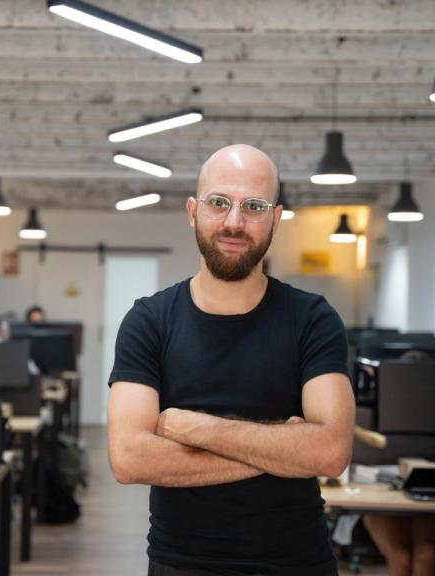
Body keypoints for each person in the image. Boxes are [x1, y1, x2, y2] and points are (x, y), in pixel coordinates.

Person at [107, 144, 354, 575]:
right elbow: (130, 459)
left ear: (275, 219)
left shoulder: (313, 319)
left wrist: (196, 428)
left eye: (253, 206)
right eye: (219, 203)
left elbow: (330, 453)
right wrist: (283, 450)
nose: (234, 222)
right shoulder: (149, 321)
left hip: (297, 562)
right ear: (192, 211)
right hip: (182, 563)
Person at [362, 350, 435, 576]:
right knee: (401, 558)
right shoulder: (369, 411)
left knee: (426, 555)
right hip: (383, 496)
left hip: (433, 497)